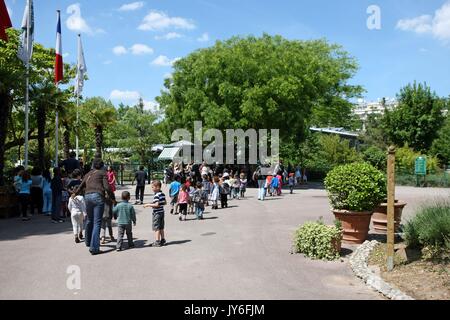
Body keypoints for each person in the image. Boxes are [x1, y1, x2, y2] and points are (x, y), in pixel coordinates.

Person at [72, 158, 114, 255]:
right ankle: (94, 248)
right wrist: (113, 198)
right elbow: (107, 187)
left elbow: (81, 185)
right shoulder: (103, 173)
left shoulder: (88, 174)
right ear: (102, 166)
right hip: (98, 196)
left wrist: (75, 193)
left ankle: (88, 241)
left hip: (87, 196)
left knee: (89, 220)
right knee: (97, 222)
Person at [143, 180, 167, 247]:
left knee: (157, 228)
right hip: (162, 212)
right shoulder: (162, 194)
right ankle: (163, 239)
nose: (152, 188)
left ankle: (157, 241)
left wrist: (148, 204)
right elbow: (165, 202)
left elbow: (156, 205)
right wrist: (158, 204)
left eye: (153, 187)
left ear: (158, 187)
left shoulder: (156, 195)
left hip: (157, 213)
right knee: (161, 227)